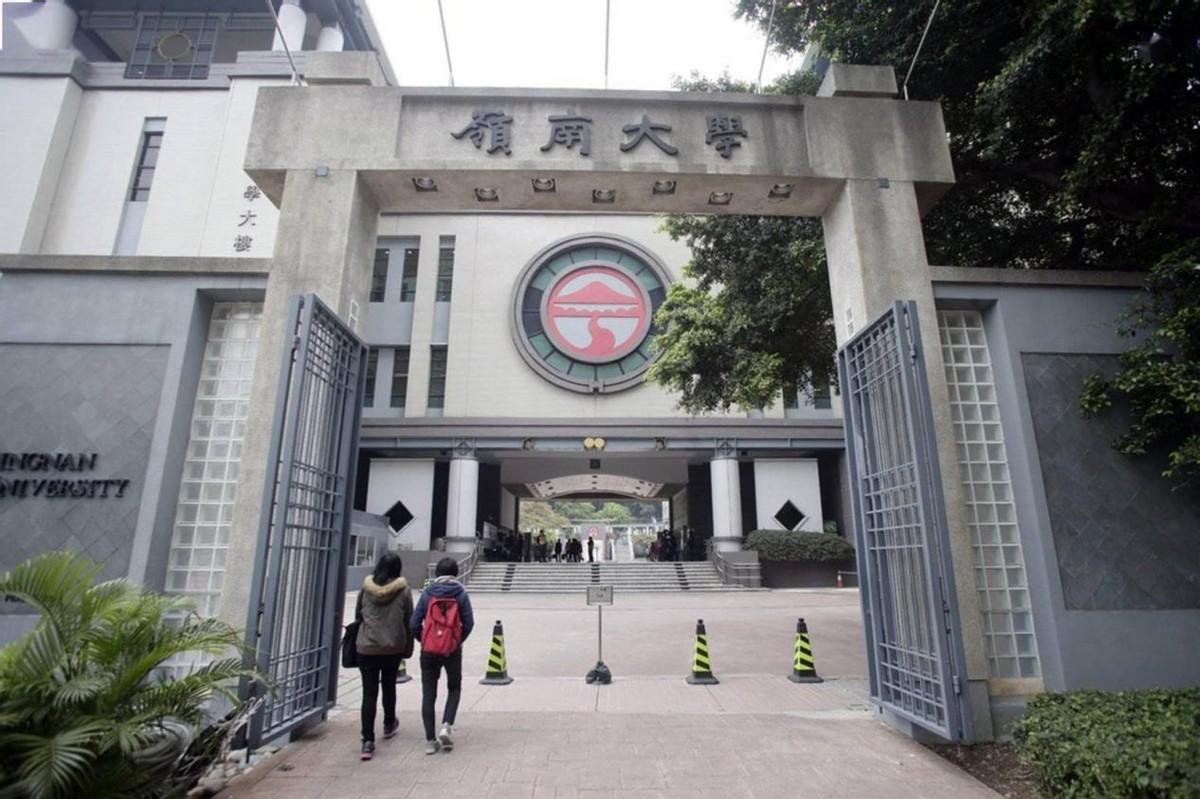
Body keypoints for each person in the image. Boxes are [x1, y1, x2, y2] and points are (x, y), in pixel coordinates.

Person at [411, 556, 475, 755]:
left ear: (437, 573)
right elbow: (469, 623)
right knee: (454, 687)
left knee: (429, 693)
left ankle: (430, 741)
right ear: (456, 573)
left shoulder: (427, 593)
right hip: (452, 650)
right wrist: (456, 640)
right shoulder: (461, 594)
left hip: (429, 650)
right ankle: (446, 726)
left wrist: (425, 640)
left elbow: (414, 623)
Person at [354, 551, 414, 761]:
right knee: (389, 685)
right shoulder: (404, 591)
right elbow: (409, 619)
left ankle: (367, 741)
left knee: (368, 693)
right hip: (392, 648)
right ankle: (389, 724)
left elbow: (358, 615)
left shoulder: (366, 588)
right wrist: (407, 646)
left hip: (367, 646)